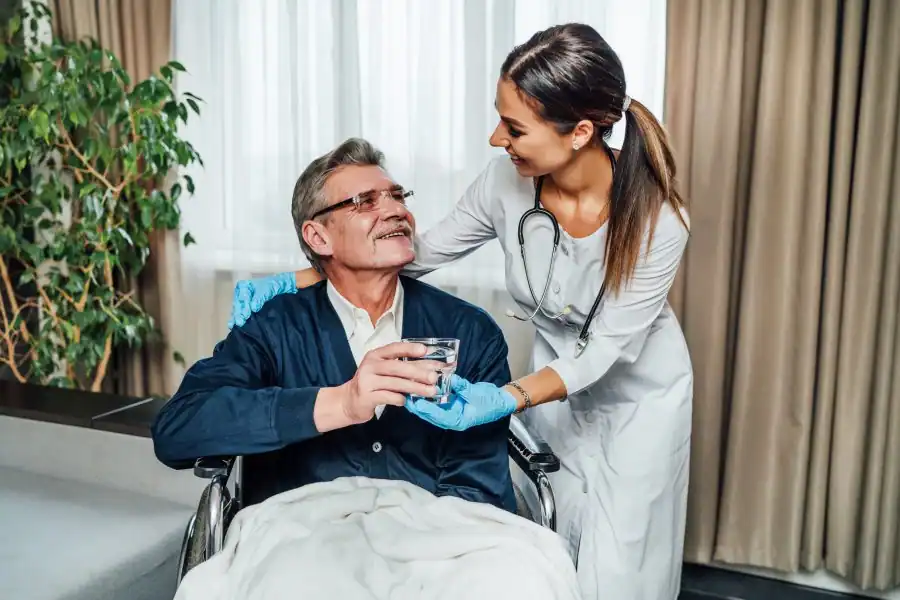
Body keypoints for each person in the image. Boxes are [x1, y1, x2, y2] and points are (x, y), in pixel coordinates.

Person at [228, 23, 692, 600]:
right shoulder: (506, 182)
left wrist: (506, 397)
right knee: (558, 531)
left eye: (514, 128)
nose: (498, 139)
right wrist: (301, 276)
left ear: (579, 132)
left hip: (636, 389)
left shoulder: (659, 219)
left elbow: (605, 351)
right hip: (552, 376)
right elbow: (417, 253)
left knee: (625, 557)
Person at [151, 137, 518, 513]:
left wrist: (412, 541)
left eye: (397, 196)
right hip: (303, 536)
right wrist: (340, 404)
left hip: (437, 536)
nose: (396, 211)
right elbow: (178, 429)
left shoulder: (470, 331)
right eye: (366, 201)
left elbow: (477, 486)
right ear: (318, 236)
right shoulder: (273, 327)